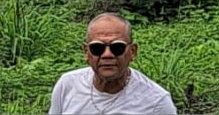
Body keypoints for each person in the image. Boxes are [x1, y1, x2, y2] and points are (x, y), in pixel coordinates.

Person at [49, 13, 177, 115]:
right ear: (86, 52)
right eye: (97, 48)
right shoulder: (67, 85)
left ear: (132, 51)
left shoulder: (157, 102)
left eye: (117, 47)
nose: (107, 54)